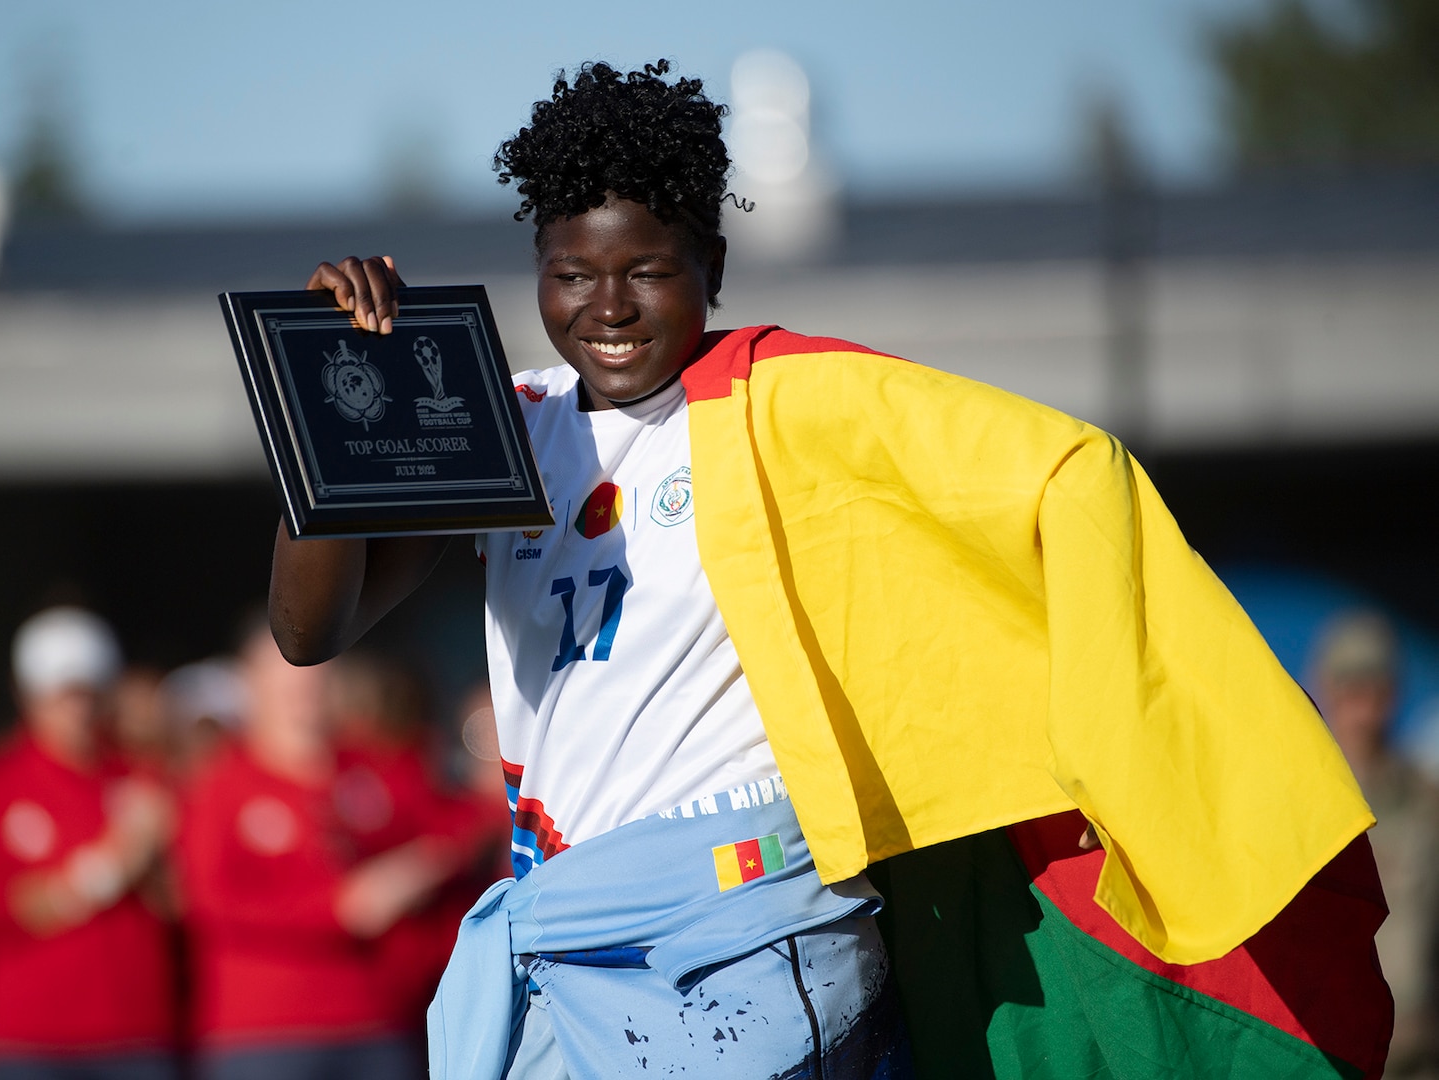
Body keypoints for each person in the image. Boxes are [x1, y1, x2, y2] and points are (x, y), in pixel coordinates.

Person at [269, 61, 1384, 1079]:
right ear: (539, 272)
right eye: (573, 275)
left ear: (710, 262)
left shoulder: (793, 402)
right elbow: (311, 628)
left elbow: (1062, 472)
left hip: (750, 937)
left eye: (648, 271)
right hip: (562, 938)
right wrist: (327, 391)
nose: (607, 308)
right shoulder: (500, 420)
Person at [178, 626, 473, 1079]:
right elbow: (210, 899)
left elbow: (449, 831)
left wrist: (418, 868)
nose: (303, 693)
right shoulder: (220, 784)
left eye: (313, 677)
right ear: (251, 686)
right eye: (286, 682)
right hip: (264, 1033)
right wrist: (337, 909)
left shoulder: (370, 769)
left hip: (376, 1021)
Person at [0, 607, 179, 1079]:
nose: (76, 708)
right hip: (31, 1040)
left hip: (135, 1032)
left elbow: (178, 901)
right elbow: (0, 906)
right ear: (27, 695)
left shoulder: (139, 778)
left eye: (86, 692)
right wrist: (116, 860)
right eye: (59, 694)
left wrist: (150, 857)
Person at [1314, 612, 1439, 1077]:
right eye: (1349, 681)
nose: (1363, 700)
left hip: (1414, 1047)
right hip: (1329, 1042)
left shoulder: (1425, 800)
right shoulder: (1304, 795)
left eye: (1375, 680)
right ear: (1324, 685)